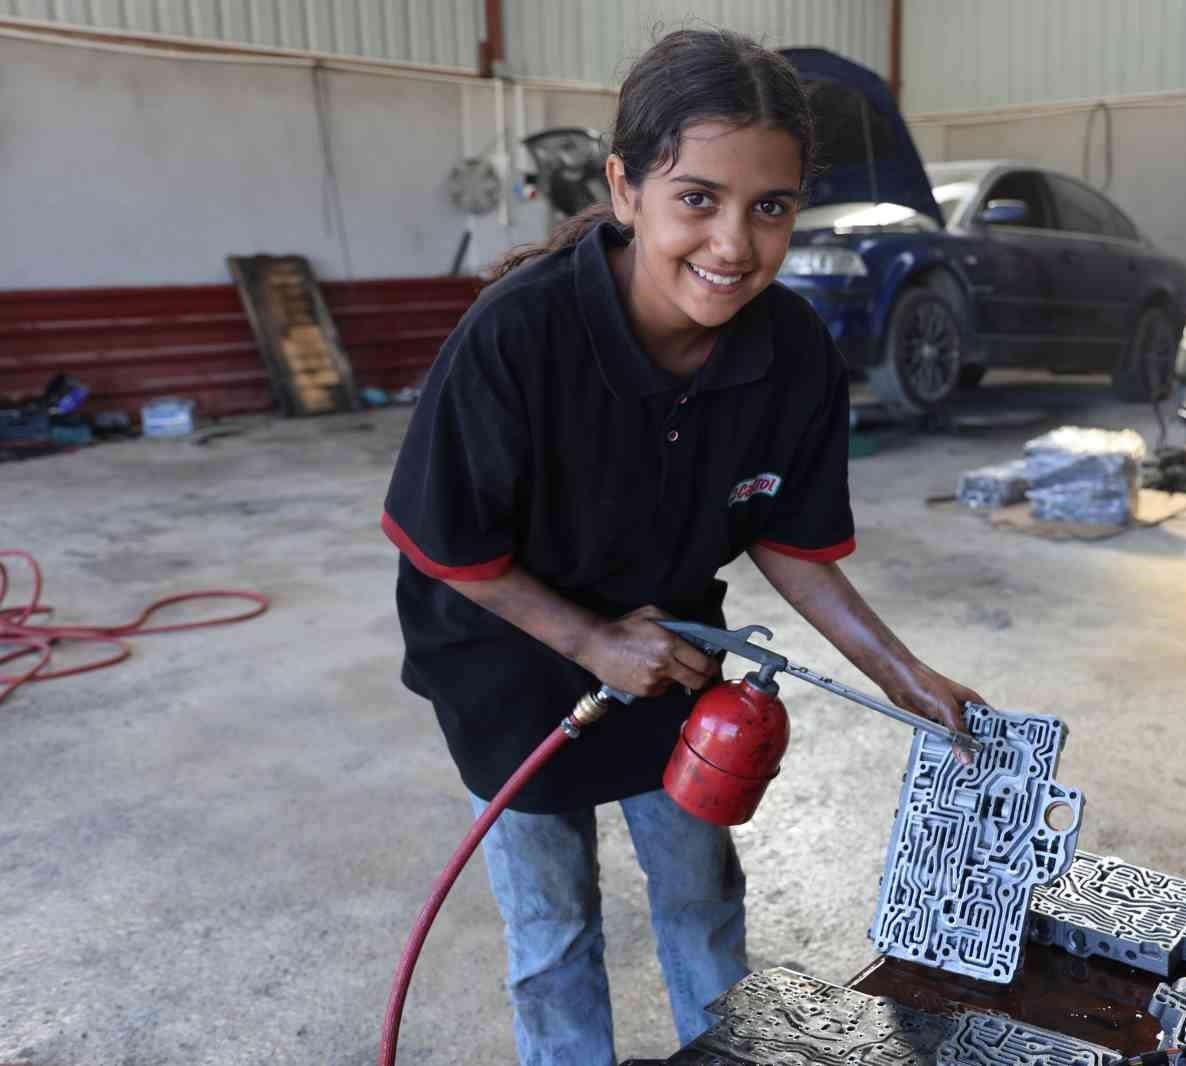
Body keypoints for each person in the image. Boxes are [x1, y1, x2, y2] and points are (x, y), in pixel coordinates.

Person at [381, 27, 986, 1066]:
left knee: (703, 895)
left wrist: (901, 672)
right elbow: (449, 543)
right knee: (555, 929)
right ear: (625, 188)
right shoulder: (517, 335)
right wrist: (589, 642)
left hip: (664, 659)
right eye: (696, 199)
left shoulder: (788, 350)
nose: (734, 244)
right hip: (503, 664)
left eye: (771, 207)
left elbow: (790, 540)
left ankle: (736, 1054)